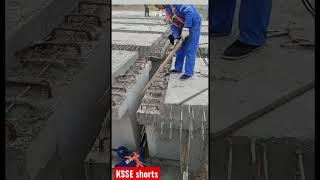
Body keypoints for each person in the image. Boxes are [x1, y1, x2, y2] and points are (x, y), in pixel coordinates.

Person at [155, 5, 202, 80]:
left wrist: (186, 27)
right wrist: (176, 37)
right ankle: (178, 68)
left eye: (157, 5)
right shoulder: (167, 10)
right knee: (179, 48)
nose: (157, 8)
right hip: (182, 25)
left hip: (193, 23)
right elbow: (173, 25)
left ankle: (188, 73)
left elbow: (189, 11)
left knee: (190, 49)